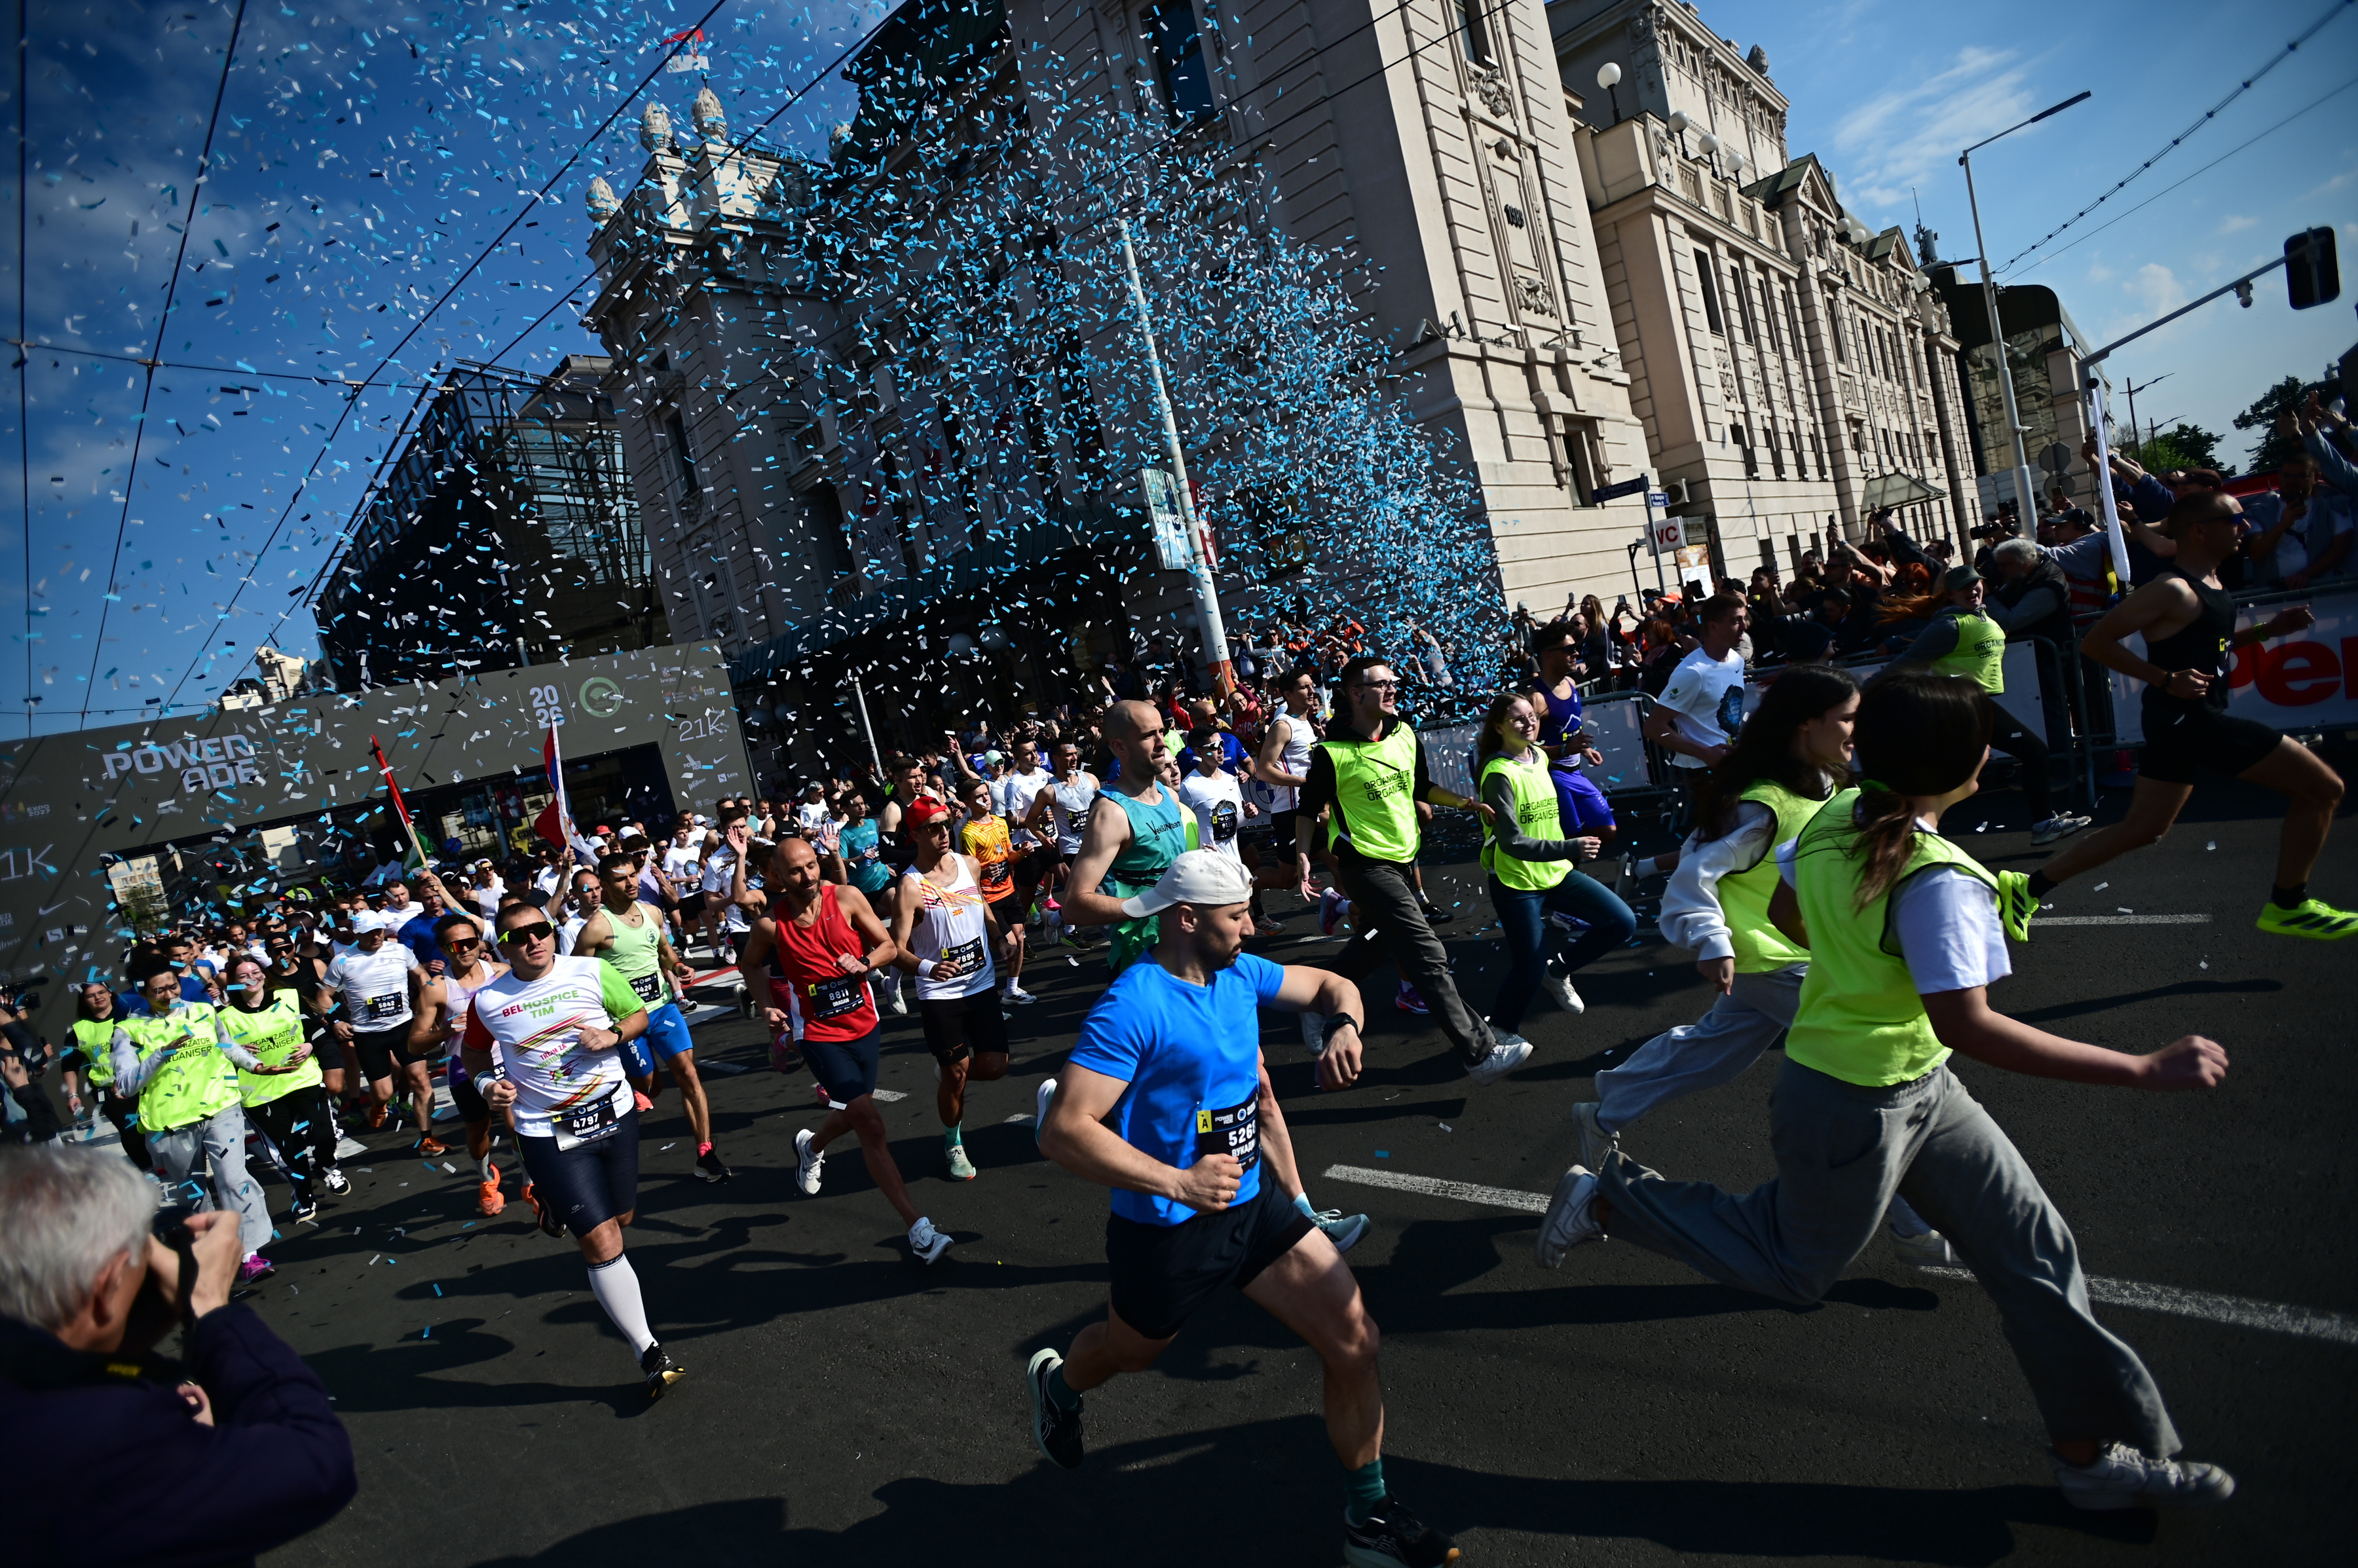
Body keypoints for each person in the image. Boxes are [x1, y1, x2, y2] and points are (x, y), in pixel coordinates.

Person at [1533, 670, 2239, 1513]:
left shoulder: (1842, 815)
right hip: (1848, 1104)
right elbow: (1970, 1025)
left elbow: (1797, 919)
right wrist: (2141, 1069)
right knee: (1793, 1269)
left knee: (2035, 1255)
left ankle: (2089, 1458)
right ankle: (1609, 1201)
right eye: (1985, 733)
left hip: (1922, 1091)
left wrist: (1873, 952)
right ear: (1962, 760)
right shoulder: (1937, 875)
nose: (1992, 743)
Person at [1025, 852, 1455, 1568]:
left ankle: (1369, 1519)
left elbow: (1331, 984)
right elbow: (1063, 1130)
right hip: (1166, 1231)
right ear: (1187, 919)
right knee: (1127, 1354)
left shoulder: (1237, 973)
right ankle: (1058, 1387)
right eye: (1237, 917)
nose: (1252, 927)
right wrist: (1177, 1182)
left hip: (1253, 1209)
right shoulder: (1135, 1004)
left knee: (1356, 1339)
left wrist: (1346, 1025)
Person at [0, 1144, 358, 1563]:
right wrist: (207, 1306)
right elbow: (317, 1461)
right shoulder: (111, 1440)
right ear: (107, 1285)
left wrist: (135, 1355)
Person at [2021, 489, 2353, 939]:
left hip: (2179, 718)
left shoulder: (2212, 582)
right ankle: (2289, 905)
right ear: (2199, 530)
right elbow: (2095, 642)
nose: (2246, 527)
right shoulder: (2170, 589)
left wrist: (2266, 630)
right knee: (2323, 789)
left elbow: (2211, 646)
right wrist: (2163, 678)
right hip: (2189, 719)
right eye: (2234, 519)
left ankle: (2027, 888)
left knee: (2144, 828)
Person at [462, 901, 686, 1400]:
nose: (534, 941)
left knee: (622, 1219)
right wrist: (484, 1085)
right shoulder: (489, 1001)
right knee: (603, 1240)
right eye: (519, 936)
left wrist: (613, 1034)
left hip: (614, 1113)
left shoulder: (591, 970)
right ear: (504, 947)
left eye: (540, 929)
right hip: (548, 1129)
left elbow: (637, 1016)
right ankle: (648, 1351)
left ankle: (552, 1203)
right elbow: (473, 1052)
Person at [1296, 657, 1523, 1085]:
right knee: (1425, 952)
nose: (1393, 688)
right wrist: (1306, 855)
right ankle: (1479, 1052)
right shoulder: (1332, 753)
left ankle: (1314, 1000)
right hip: (1366, 866)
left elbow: (1420, 785)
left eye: (1394, 681)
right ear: (1356, 693)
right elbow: (1309, 809)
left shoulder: (1404, 733)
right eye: (1382, 683)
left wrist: (1464, 803)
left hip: (1404, 860)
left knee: (1377, 944)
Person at [739, 836, 953, 1263]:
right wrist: (766, 1005)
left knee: (858, 1110)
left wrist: (866, 963)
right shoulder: (771, 925)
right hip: (817, 1034)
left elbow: (890, 945)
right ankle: (919, 1230)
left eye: (812, 865)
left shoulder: (849, 898)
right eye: (796, 870)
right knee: (871, 1125)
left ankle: (811, 1146)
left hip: (864, 1024)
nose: (808, 875)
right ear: (778, 877)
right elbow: (750, 964)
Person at [1472, 692, 1638, 1050]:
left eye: (1531, 716)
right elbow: (1512, 842)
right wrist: (1571, 847)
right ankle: (1501, 1032)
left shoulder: (1538, 756)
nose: (1528, 722)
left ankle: (1559, 970)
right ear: (1499, 727)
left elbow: (1552, 756)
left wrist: (1574, 747)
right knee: (1527, 968)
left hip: (1555, 872)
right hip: (1516, 882)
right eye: (1518, 719)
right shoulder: (1497, 773)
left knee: (1622, 922)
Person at [1890, 563, 2091, 847]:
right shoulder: (1949, 625)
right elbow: (1905, 663)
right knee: (2033, 752)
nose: (1973, 589)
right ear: (1950, 594)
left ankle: (1899, 828)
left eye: (1976, 583)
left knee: (1951, 772)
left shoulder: (1980, 615)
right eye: (1964, 587)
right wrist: (1866, 691)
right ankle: (2044, 823)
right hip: (1962, 704)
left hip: (1971, 702)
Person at [109, 967, 276, 1285]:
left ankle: (249, 1255)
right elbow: (127, 1085)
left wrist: (256, 1066)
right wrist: (161, 1053)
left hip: (220, 1107)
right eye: (160, 991)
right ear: (144, 994)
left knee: (233, 1178)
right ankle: (211, 1260)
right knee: (194, 1196)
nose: (170, 995)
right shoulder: (128, 1031)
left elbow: (226, 1047)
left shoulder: (203, 1011)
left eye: (173, 987)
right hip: (170, 1124)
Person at [582, 849, 730, 1183]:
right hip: (627, 1022)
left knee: (689, 1075)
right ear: (605, 885)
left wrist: (678, 966)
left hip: (663, 1008)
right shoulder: (596, 928)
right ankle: (642, 1085)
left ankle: (705, 1152)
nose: (631, 882)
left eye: (633, 875)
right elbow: (576, 976)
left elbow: (664, 952)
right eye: (621, 878)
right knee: (649, 1085)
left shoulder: (651, 913)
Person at [890, 796, 1016, 1180]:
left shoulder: (968, 865)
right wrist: (928, 967)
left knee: (994, 1067)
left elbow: (983, 905)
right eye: (933, 828)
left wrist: (999, 937)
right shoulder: (911, 886)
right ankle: (953, 1141)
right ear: (915, 835)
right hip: (940, 995)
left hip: (980, 984)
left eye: (946, 825)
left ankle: (946, 1072)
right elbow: (895, 949)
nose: (944, 833)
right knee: (958, 1075)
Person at [1060, 700, 1200, 979]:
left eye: (1162, 731)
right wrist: (1156, 903)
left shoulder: (1170, 796)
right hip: (1143, 963)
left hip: (1189, 947)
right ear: (1120, 747)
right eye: (1149, 735)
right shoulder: (1112, 812)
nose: (1162, 743)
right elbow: (1075, 905)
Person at [218, 954, 346, 1225]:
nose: (252, 978)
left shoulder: (288, 997)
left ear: (264, 975)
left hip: (303, 1079)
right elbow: (218, 1056)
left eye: (256, 971)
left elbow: (316, 1030)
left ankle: (325, 1166)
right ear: (232, 984)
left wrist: (310, 1046)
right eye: (243, 976)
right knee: (290, 1149)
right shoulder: (224, 1018)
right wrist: (234, 1053)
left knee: (323, 1133)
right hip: (260, 1093)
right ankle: (303, 1195)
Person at [408, 911, 517, 1217]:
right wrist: (446, 1030)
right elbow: (414, 1042)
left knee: (517, 1126)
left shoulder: (502, 972)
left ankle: (530, 1181)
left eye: (470, 942)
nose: (466, 949)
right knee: (478, 1131)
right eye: (456, 946)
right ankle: (486, 1179)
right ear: (443, 951)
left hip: (508, 1061)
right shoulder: (437, 988)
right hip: (465, 1068)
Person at [318, 910, 436, 1148]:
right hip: (368, 1035)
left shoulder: (400, 951)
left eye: (379, 930)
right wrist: (336, 1022)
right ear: (357, 934)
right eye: (370, 933)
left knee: (421, 1081)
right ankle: (380, 1104)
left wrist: (430, 1007)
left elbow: (422, 976)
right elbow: (324, 995)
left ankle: (427, 1138)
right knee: (382, 1093)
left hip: (404, 1026)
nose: (376, 936)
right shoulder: (342, 960)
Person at [1528, 619, 1619, 849]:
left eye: (1576, 648)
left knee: (1606, 830)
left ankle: (1554, 856)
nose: (1576, 653)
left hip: (1575, 773)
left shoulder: (1570, 682)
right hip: (1553, 777)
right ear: (1548, 655)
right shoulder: (1536, 699)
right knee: (1573, 841)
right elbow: (1526, 753)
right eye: (1568, 650)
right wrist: (1565, 750)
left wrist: (1585, 748)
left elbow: (1571, 727)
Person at [958, 777, 1035, 1007]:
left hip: (1009, 891)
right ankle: (983, 996)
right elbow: (968, 871)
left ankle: (1011, 990)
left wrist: (1023, 853)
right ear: (968, 803)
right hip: (989, 899)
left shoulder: (1000, 823)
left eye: (986, 794)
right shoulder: (968, 834)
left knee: (1020, 940)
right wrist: (983, 870)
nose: (985, 799)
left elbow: (1009, 856)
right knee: (1009, 944)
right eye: (979, 797)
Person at [68, 982, 149, 1169]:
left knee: (151, 1123)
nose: (98, 997)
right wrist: (72, 1094)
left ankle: (164, 1161)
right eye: (91, 995)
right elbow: (69, 1065)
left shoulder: (131, 1017)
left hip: (139, 1080)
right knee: (130, 1129)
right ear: (83, 1001)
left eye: (102, 992)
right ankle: (147, 1168)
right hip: (107, 1090)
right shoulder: (79, 1029)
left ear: (110, 993)